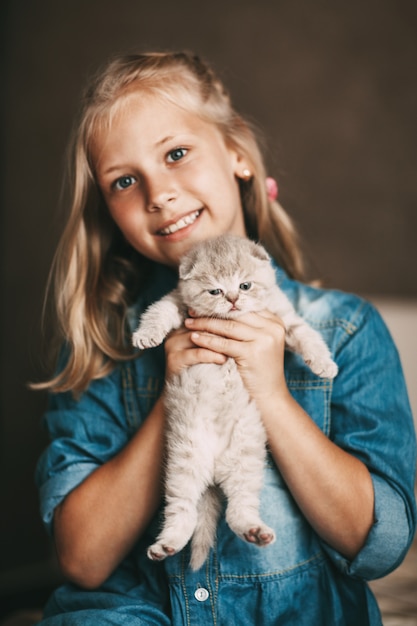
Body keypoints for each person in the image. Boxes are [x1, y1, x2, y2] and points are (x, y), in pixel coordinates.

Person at [34, 51, 416, 625]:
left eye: (177, 154)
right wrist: (176, 393)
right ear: (109, 211)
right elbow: (83, 560)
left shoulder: (346, 330)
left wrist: (271, 392)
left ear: (236, 154)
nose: (158, 193)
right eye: (125, 180)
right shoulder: (103, 344)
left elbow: (380, 547)